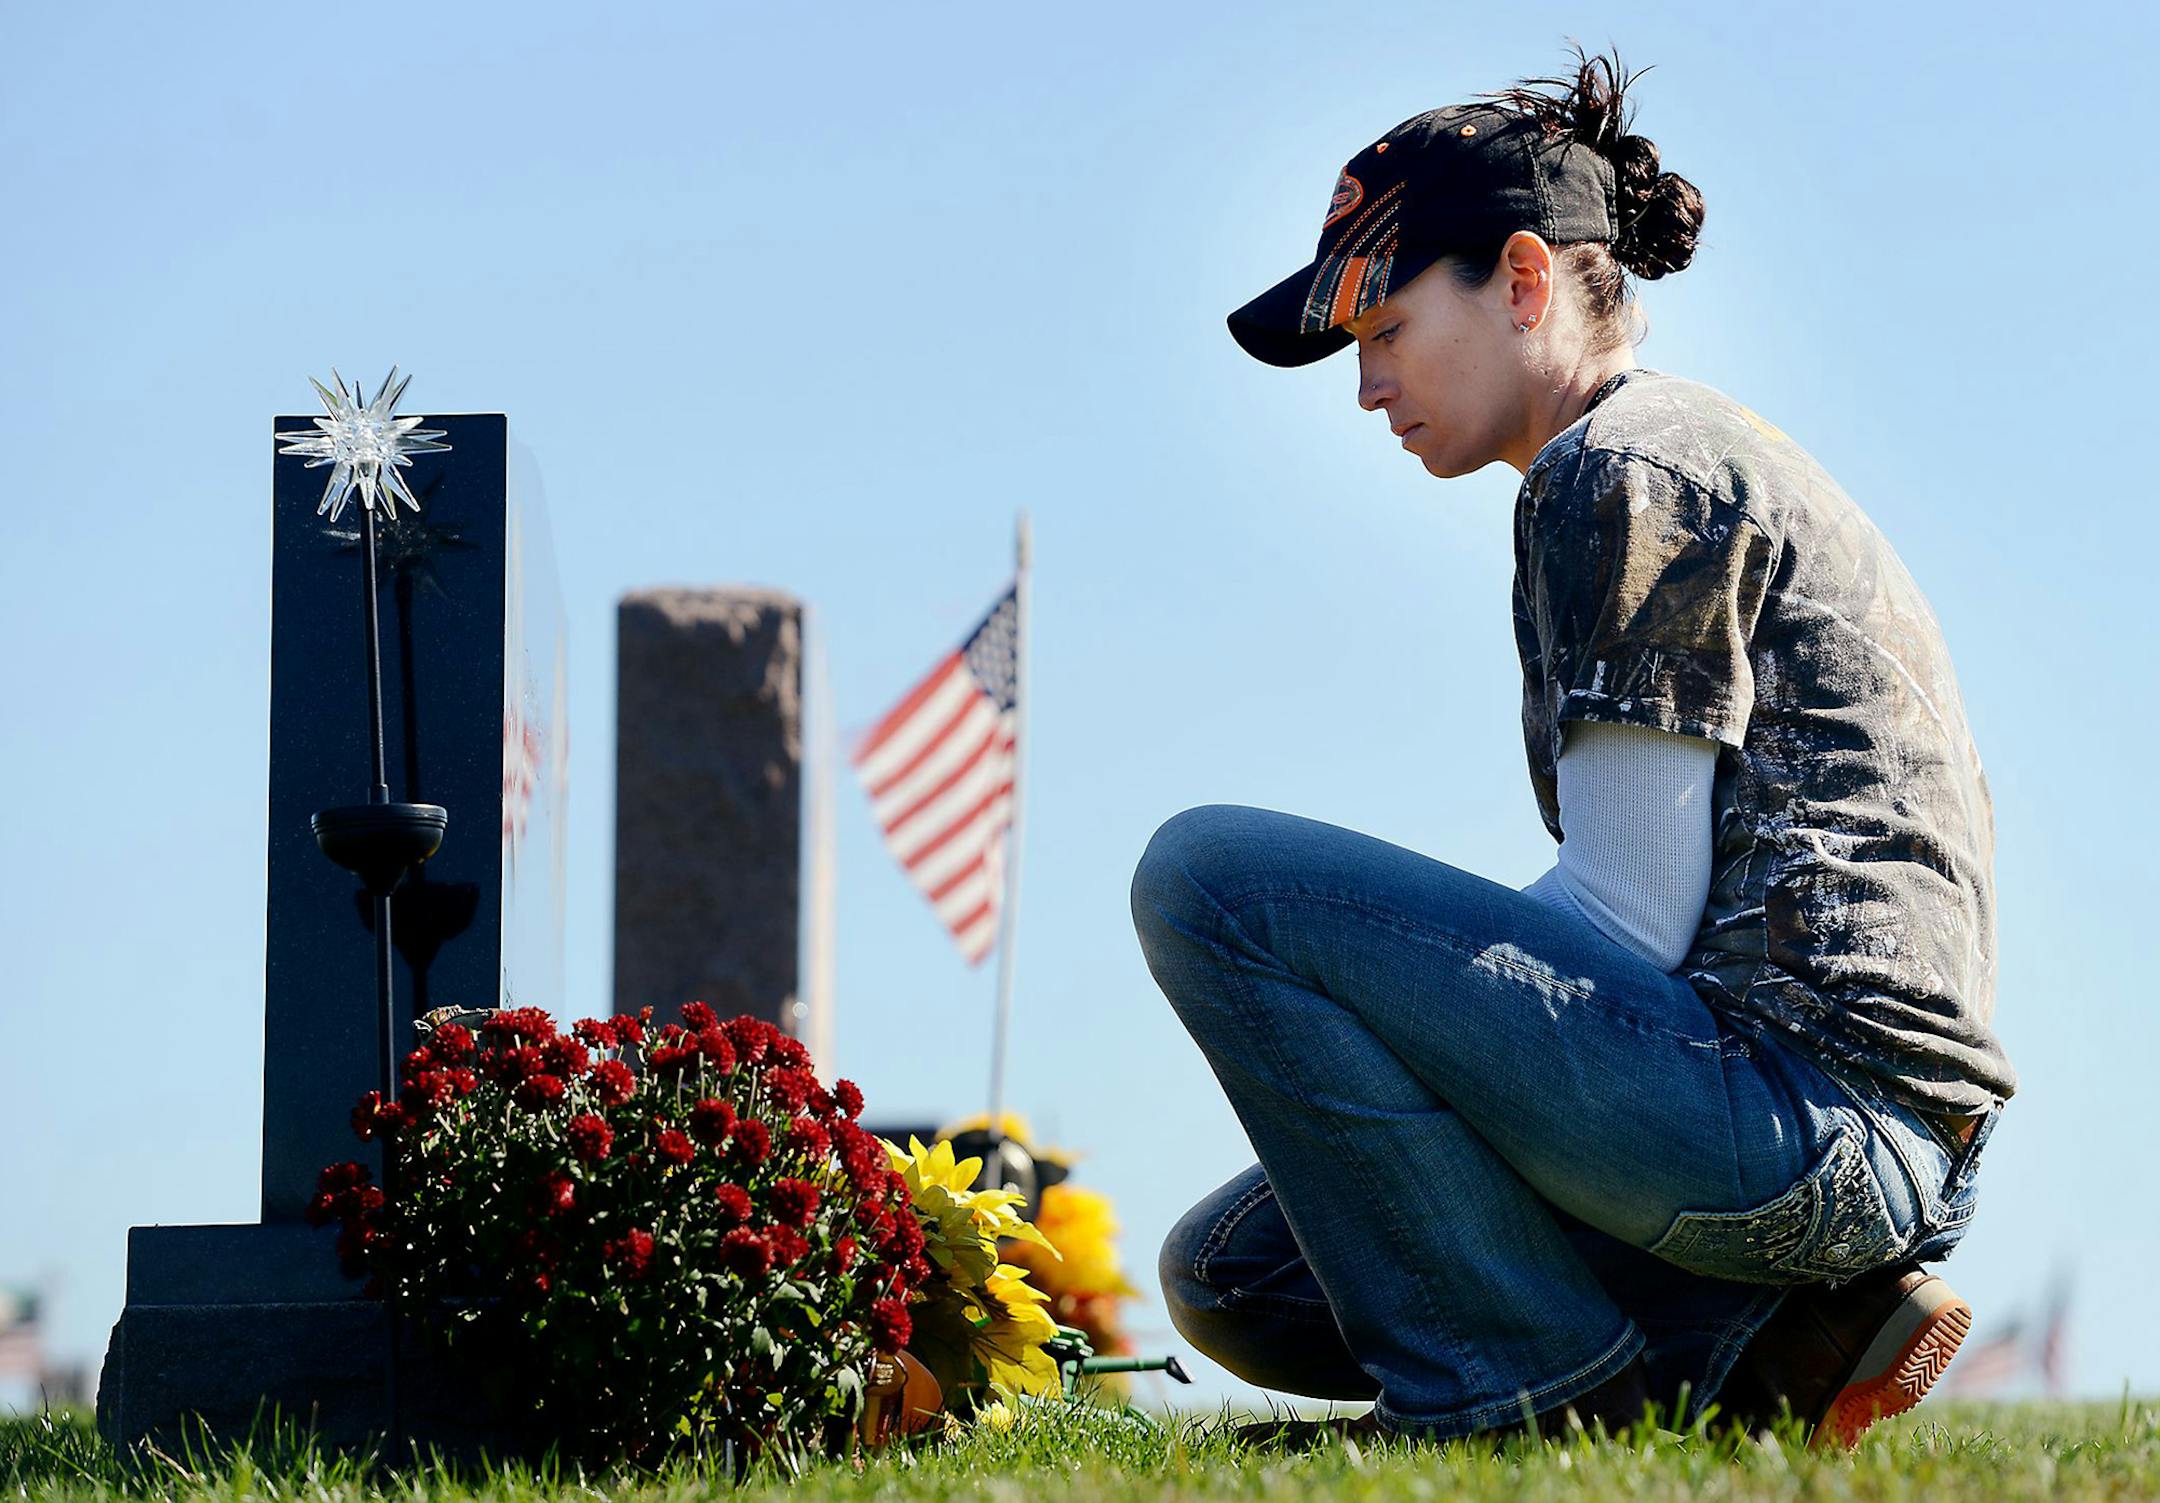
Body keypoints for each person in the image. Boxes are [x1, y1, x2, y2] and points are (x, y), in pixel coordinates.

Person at [1128, 44, 2013, 1452]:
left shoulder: (1624, 468)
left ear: (1527, 281)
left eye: (1384, 327)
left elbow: (1628, 913)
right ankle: (1765, 1344)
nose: (1365, 388)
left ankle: (1521, 1396)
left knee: (1207, 882)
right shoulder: (1664, 452)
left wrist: (1379, 1047)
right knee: (1235, 1274)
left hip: (1801, 1121)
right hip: (1856, 1135)